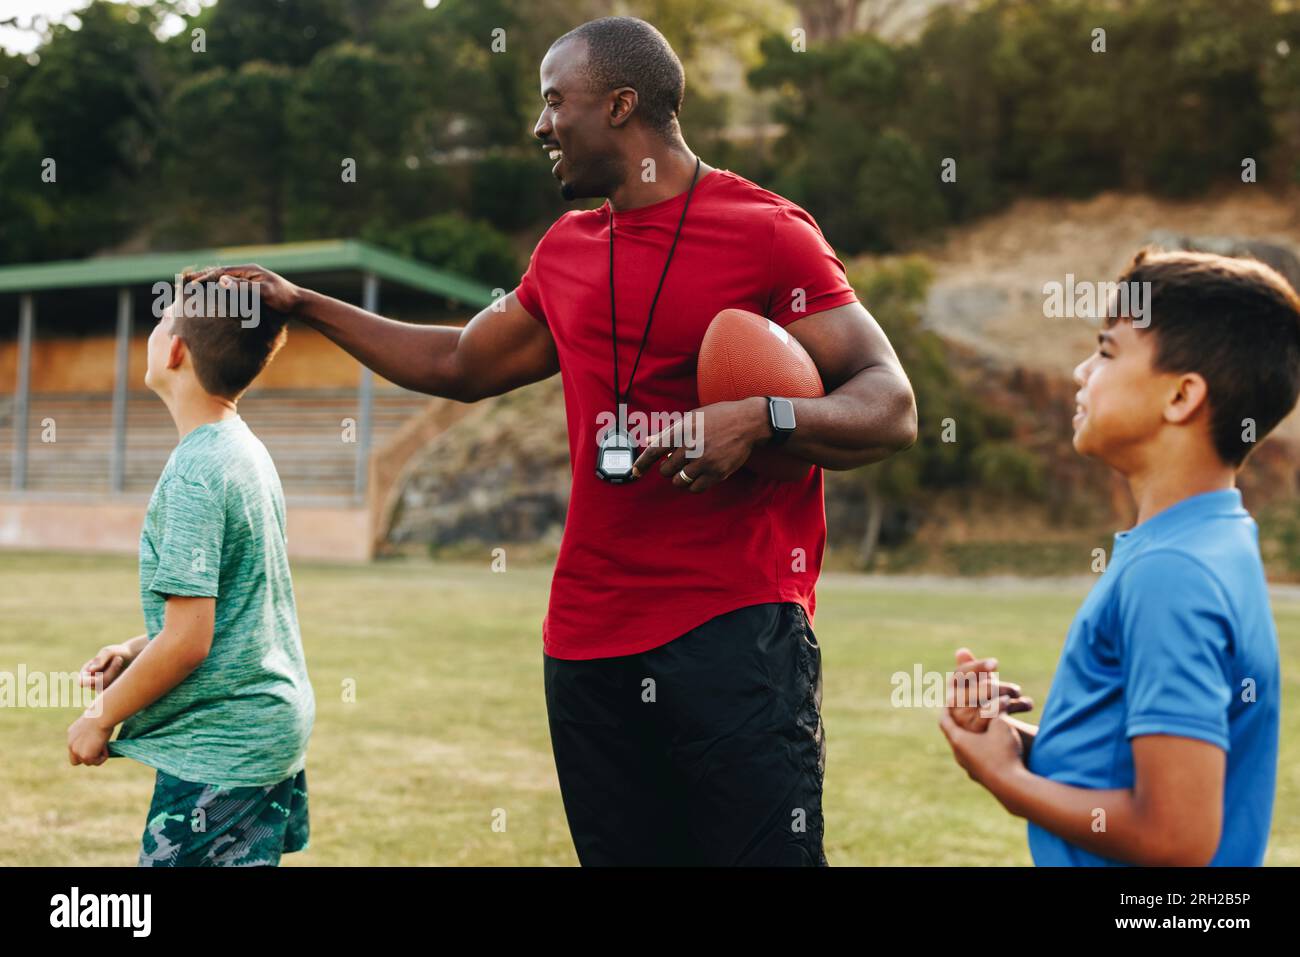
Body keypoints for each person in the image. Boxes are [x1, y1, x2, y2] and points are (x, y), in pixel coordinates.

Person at [197, 16, 916, 865]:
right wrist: (307, 304)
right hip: (586, 643)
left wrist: (764, 416)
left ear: (618, 106)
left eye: (553, 102)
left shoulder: (767, 231)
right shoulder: (566, 251)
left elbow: (891, 404)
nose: (540, 126)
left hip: (735, 632)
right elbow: (460, 359)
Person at [939, 249, 1299, 866]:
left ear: (1182, 396)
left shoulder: (1172, 574)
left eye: (1106, 352)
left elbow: (1176, 838)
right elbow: (1139, 772)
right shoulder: (1208, 538)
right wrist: (1018, 744)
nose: (1081, 372)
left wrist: (1005, 780)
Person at [68, 274, 316, 867]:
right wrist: (135, 649)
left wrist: (99, 718)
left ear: (175, 350)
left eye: (161, 321)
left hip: (224, 752)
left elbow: (188, 643)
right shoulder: (243, 448)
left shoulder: (195, 475)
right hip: (266, 730)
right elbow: (231, 609)